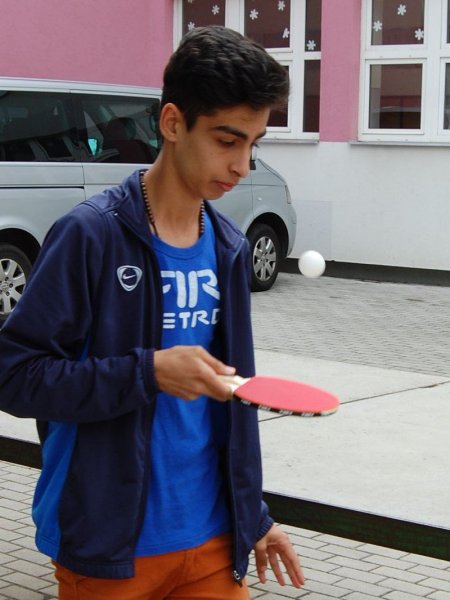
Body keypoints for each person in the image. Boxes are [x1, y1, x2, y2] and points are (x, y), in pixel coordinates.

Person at [0, 26, 304, 599]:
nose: (242, 164)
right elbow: (14, 376)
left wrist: (254, 514)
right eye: (227, 140)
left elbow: (230, 402)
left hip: (214, 539)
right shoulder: (90, 236)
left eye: (253, 145)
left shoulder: (229, 247)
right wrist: (148, 372)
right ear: (172, 123)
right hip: (111, 546)